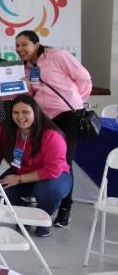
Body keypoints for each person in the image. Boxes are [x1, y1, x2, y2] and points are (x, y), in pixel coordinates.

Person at [16, 29, 91, 228]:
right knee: (42, 159)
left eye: (24, 44)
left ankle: (65, 209)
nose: (20, 49)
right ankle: (42, 204)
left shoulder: (57, 56)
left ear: (36, 44)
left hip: (69, 114)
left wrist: (77, 100)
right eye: (17, 45)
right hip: (45, 118)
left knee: (64, 161)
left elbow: (83, 77)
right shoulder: (26, 67)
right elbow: (32, 95)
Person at [0, 94, 73, 237]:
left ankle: (43, 219)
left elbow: (52, 171)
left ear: (36, 112)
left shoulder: (52, 136)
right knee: (0, 188)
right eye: (16, 112)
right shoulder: (7, 130)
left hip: (54, 177)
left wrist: (19, 179)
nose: (20, 117)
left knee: (47, 191)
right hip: (21, 172)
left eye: (25, 112)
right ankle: (24, 214)